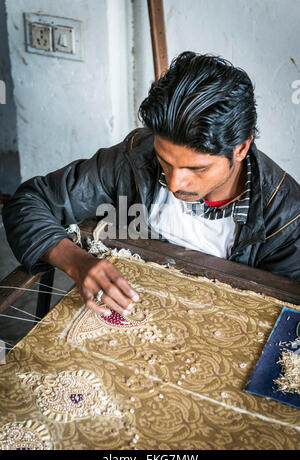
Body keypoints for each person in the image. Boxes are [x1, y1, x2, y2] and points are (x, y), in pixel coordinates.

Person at [3, 51, 300, 318]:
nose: (174, 182)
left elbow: (285, 315)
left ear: (241, 148)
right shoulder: (136, 156)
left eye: (197, 168)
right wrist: (78, 263)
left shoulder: (285, 214)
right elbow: (28, 203)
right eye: (165, 161)